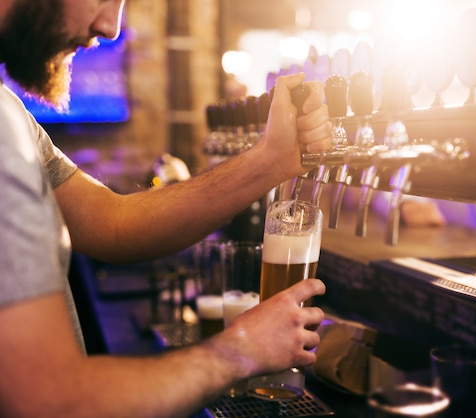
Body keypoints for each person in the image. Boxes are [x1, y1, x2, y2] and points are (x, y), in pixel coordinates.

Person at [0, 0, 332, 416]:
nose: (111, 26)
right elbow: (51, 401)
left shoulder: (9, 111)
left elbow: (112, 223)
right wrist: (240, 351)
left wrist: (273, 159)